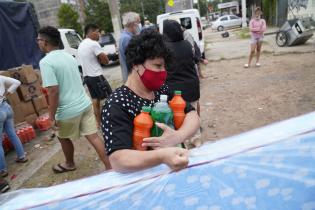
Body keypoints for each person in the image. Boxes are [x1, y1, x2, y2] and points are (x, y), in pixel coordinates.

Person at [101, 30, 200, 173]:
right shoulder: (117, 104)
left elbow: (192, 115)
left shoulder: (162, 90)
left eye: (165, 67)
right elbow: (118, 159)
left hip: (176, 169)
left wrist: (177, 136)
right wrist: (161, 156)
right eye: (158, 66)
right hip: (146, 181)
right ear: (136, 64)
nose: (163, 72)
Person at [37, 26, 111, 172]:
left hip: (67, 110)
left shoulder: (45, 62)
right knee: (94, 137)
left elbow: (53, 91)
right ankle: (110, 166)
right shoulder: (69, 56)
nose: (37, 43)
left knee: (63, 137)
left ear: (45, 42)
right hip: (84, 104)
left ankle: (70, 164)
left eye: (38, 40)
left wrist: (51, 117)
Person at [163, 19, 200, 115]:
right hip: (192, 86)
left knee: (178, 119)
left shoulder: (164, 48)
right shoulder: (187, 44)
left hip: (174, 90)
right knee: (193, 112)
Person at [78, 24, 112, 128]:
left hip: (87, 77)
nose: (99, 35)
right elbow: (105, 60)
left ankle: (98, 123)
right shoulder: (93, 44)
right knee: (110, 98)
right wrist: (103, 60)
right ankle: (112, 120)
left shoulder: (81, 44)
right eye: (97, 32)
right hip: (96, 76)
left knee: (95, 99)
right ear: (91, 32)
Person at [0, 76, 28, 177]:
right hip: (6, 107)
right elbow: (17, 82)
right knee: (12, 134)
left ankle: (2, 170)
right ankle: (22, 156)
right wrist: (7, 93)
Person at [119, 12, 141, 82]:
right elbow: (134, 59)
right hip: (132, 77)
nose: (139, 25)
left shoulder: (125, 36)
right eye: (138, 22)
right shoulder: (127, 38)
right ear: (132, 24)